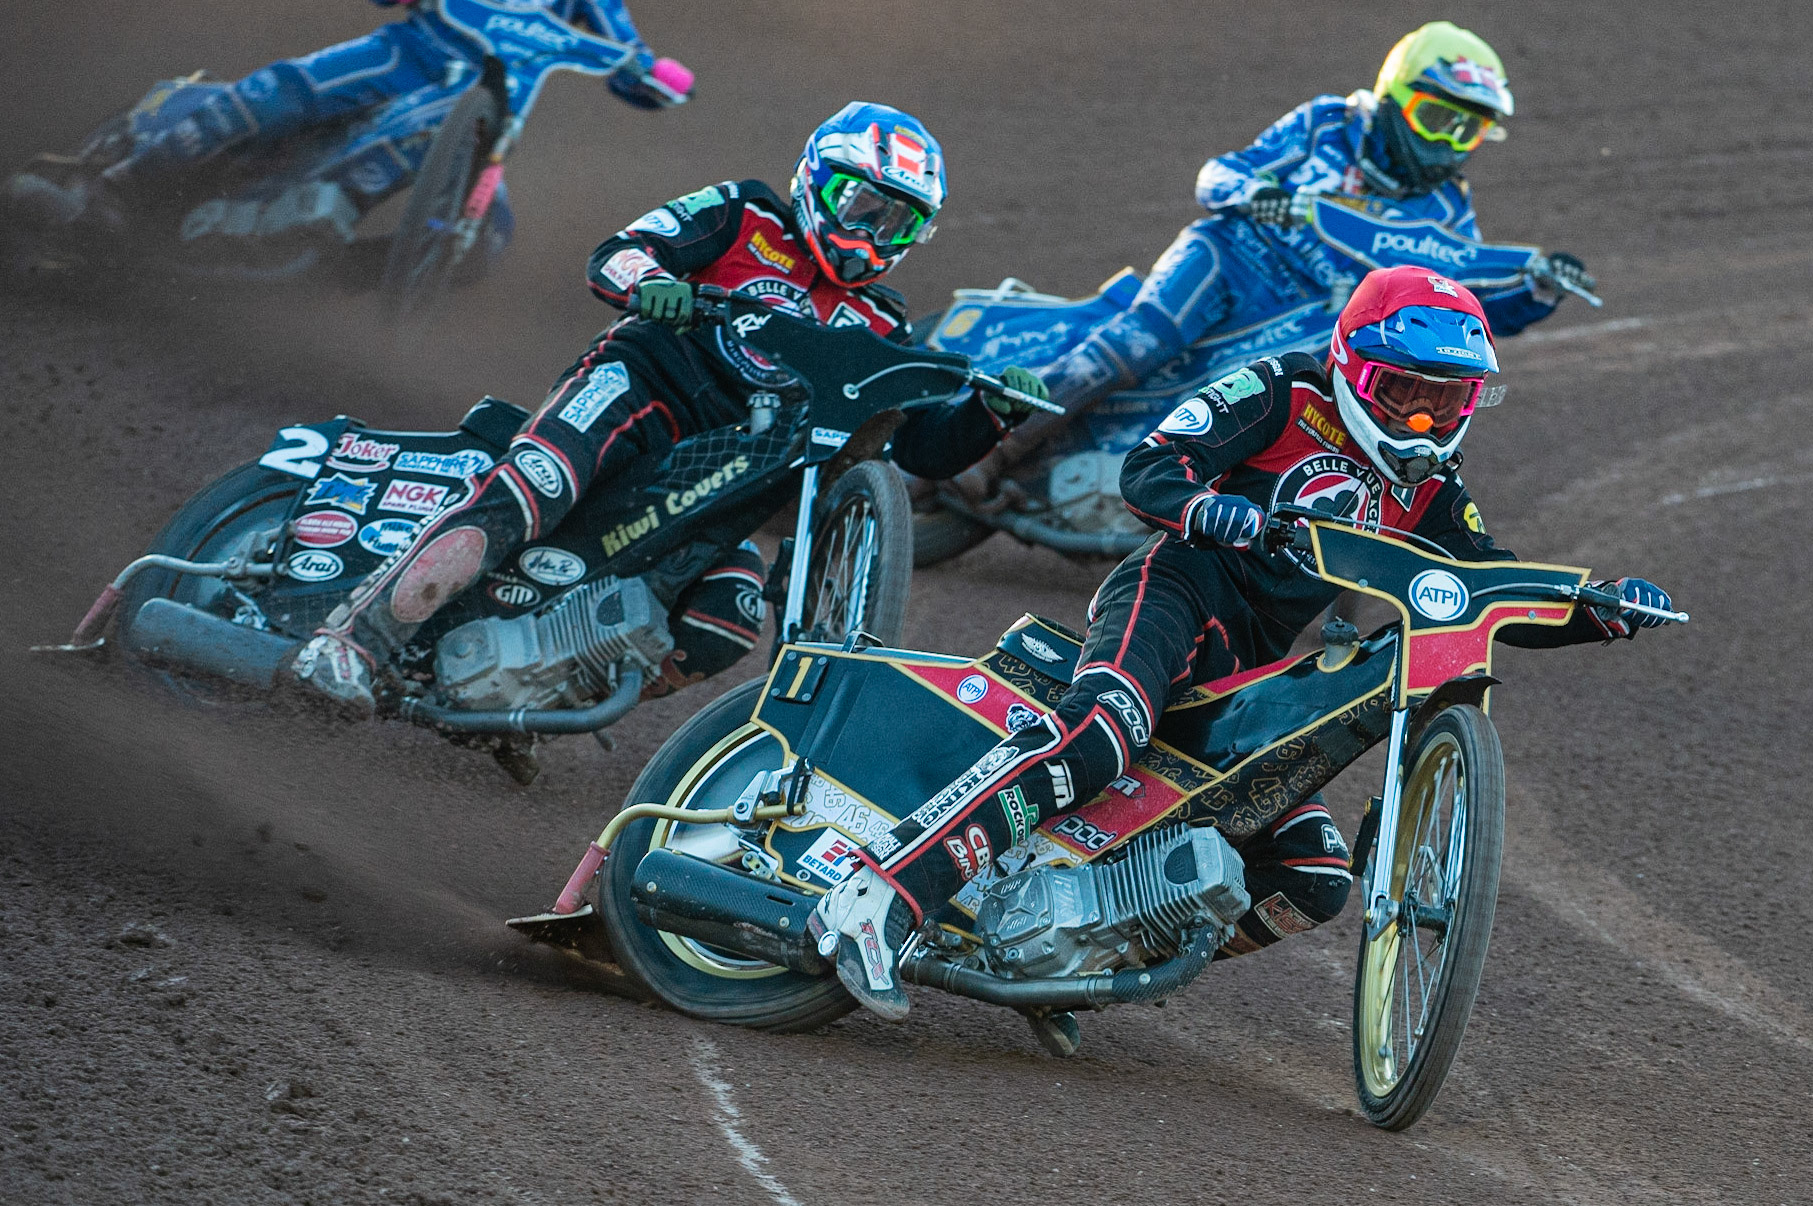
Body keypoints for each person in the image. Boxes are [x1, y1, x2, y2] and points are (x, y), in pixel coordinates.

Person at [811, 265, 1674, 1019]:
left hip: (1252, 669)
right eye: (1404, 395)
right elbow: (1150, 466)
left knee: (1314, 881)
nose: (1422, 422)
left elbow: (1490, 582)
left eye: (1444, 401)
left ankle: (1076, 962)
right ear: (1352, 370)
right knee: (1102, 734)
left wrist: (1592, 607)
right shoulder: (1282, 389)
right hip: (1177, 592)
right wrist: (1206, 506)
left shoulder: (1437, 488)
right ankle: (878, 898)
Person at [290, 102, 1051, 712]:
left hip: (734, 470)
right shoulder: (744, 214)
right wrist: (652, 285)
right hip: (641, 390)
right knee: (534, 489)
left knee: (726, 619)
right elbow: (618, 252)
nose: (870, 235)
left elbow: (921, 452)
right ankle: (350, 640)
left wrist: (992, 411)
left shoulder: (880, 322)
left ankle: (532, 696)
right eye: (861, 204)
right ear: (816, 181)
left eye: (897, 222)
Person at [969, 19, 1592, 495]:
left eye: (1469, 131)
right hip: (1232, 260)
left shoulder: (1449, 210)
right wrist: (1258, 192)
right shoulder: (1327, 124)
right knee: (1138, 344)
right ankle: (989, 450)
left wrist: (1536, 289)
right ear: (1395, 98)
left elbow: (1458, 304)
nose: (1448, 145)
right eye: (1436, 118)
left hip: (1308, 316)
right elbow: (1218, 175)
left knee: (1299, 403)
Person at [6, 0, 689, 230]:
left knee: (489, 236)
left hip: (479, 113)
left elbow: (628, 57)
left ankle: (326, 269)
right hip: (400, 55)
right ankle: (112, 187)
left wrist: (656, 79)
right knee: (271, 95)